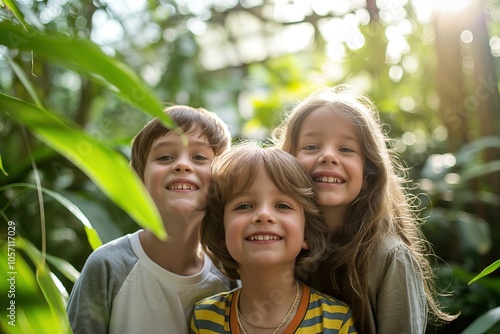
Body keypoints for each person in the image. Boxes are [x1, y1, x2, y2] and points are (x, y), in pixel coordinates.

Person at [272, 85, 457, 333]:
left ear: (369, 173)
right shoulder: (275, 242)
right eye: (311, 146)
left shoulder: (390, 258)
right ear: (287, 163)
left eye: (346, 149)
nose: (328, 156)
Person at [67, 105, 236, 334]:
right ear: (139, 180)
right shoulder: (108, 266)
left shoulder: (229, 277)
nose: (182, 165)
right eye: (165, 157)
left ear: (221, 180)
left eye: (199, 157)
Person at [190, 142, 357, 334]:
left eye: (283, 206)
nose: (263, 215)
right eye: (244, 206)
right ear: (221, 233)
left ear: (306, 234)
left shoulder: (336, 322)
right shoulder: (204, 319)